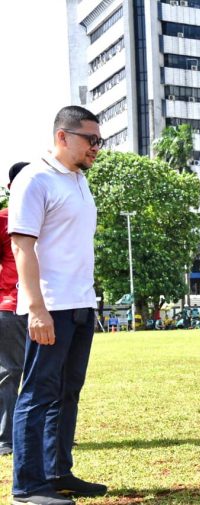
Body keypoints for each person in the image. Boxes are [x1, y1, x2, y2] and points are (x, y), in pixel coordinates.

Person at [8, 106, 107, 505]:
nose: (96, 148)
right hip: (50, 305)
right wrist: (36, 308)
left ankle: (57, 472)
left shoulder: (79, 180)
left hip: (81, 302)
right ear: (63, 137)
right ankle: (27, 486)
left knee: (68, 391)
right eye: (91, 140)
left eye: (100, 141)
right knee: (36, 393)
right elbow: (22, 246)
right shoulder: (35, 178)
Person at [0, 162, 29, 458]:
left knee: (48, 373)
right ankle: (5, 439)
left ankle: (49, 436)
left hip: (49, 306)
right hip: (10, 306)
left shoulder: (50, 220)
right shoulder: (3, 220)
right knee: (9, 373)